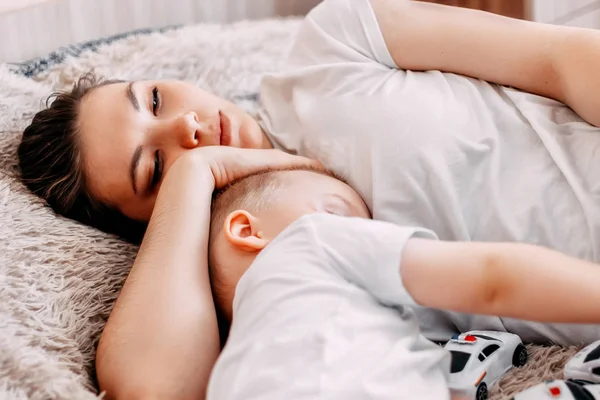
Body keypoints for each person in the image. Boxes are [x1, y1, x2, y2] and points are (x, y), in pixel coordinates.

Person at [15, 0, 600, 398]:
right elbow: (154, 389)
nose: (186, 129)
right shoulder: (261, 248)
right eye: (156, 166)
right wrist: (195, 180)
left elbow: (559, 56)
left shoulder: (332, 43)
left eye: (157, 100)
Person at [204, 166, 600, 400]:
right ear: (245, 229)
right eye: (341, 213)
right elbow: (492, 278)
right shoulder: (310, 238)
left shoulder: (228, 375)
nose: (368, 232)